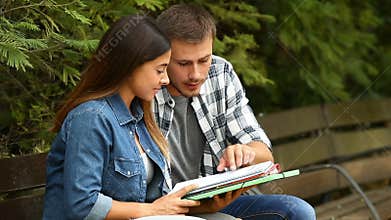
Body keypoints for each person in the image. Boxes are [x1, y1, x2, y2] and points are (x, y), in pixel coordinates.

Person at [154, 4, 317, 220]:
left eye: (204, 60)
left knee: (298, 212)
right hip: (166, 208)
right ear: (163, 56)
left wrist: (246, 152)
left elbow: (264, 154)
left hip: (222, 201)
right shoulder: (147, 86)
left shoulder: (220, 73)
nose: (196, 74)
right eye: (183, 63)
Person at [43, 15, 211, 220]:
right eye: (159, 70)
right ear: (130, 66)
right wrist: (153, 210)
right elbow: (83, 205)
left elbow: (153, 201)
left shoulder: (139, 118)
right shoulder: (91, 118)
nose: (166, 79)